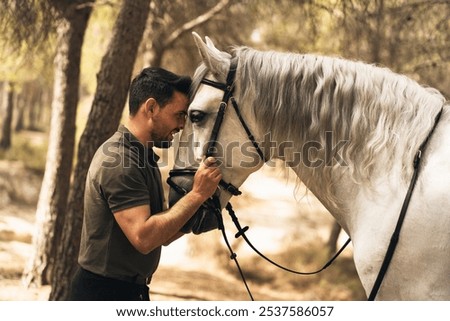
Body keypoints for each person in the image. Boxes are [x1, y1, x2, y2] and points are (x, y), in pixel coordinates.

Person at [69, 67, 222, 301]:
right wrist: (196, 195)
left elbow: (162, 235)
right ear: (151, 108)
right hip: (102, 294)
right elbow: (144, 237)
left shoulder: (142, 157)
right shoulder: (119, 160)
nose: (183, 125)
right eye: (179, 114)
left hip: (130, 292)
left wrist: (204, 205)